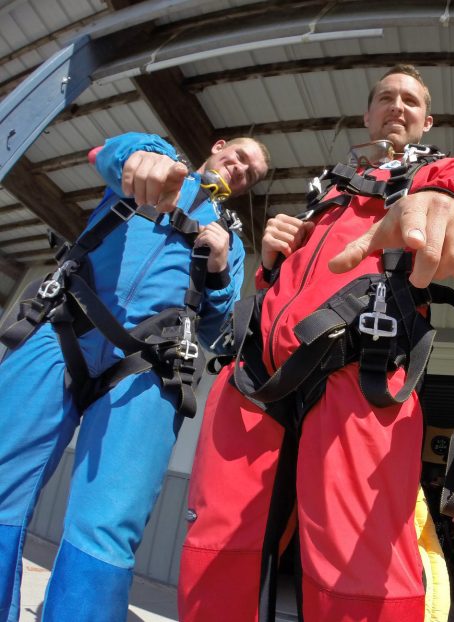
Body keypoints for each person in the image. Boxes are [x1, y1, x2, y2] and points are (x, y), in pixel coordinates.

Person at [177, 65, 454, 622]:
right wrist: (272, 257)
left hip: (362, 364)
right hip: (257, 372)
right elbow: (286, 284)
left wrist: (450, 203)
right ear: (368, 113)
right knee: (221, 544)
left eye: (410, 101)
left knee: (359, 561)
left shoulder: (437, 172)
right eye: (386, 98)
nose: (397, 107)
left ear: (427, 120)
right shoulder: (327, 188)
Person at [0, 133, 269, 622]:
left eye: (249, 173)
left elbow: (215, 328)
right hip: (62, 327)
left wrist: (217, 267)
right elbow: (106, 155)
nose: (239, 168)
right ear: (218, 145)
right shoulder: (157, 159)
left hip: (150, 365)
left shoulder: (228, 239)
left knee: (107, 525)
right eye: (239, 156)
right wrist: (139, 159)